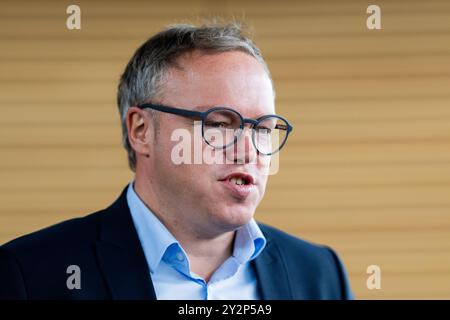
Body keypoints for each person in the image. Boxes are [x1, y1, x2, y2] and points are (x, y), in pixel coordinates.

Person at [0, 23, 352, 300]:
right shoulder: (30, 274)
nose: (249, 150)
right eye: (218, 123)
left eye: (262, 129)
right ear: (141, 130)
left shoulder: (319, 274)